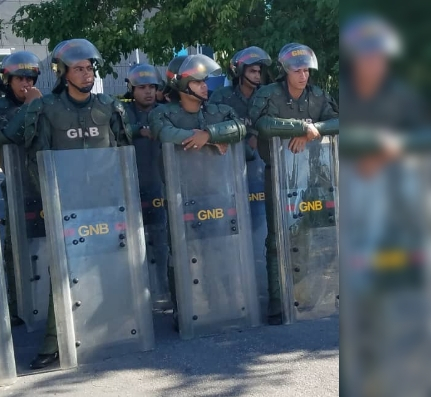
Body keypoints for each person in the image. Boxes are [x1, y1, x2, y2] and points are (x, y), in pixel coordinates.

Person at [23, 38, 131, 369]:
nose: (87, 74)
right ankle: (54, 342)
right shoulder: (46, 109)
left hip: (104, 201)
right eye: (79, 69)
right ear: (62, 73)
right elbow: (35, 159)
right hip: (65, 203)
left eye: (90, 68)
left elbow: (124, 153)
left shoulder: (109, 106)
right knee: (63, 272)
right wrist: (48, 197)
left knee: (108, 263)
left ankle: (113, 329)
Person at [149, 54, 247, 324]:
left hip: (215, 191)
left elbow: (239, 127)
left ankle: (225, 305)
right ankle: (184, 309)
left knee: (219, 250)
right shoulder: (163, 113)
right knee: (180, 254)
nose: (205, 86)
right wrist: (208, 140)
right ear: (182, 84)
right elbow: (166, 134)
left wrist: (211, 134)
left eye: (205, 81)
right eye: (198, 82)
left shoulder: (216, 111)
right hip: (181, 195)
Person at [248, 43, 339, 325]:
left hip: (312, 175)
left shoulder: (317, 94)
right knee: (277, 239)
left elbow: (339, 120)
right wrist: (300, 127)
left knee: (306, 235)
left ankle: (304, 296)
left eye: (306, 70)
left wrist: (313, 132)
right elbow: (261, 123)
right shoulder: (268, 94)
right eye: (297, 70)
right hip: (277, 173)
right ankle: (278, 303)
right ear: (285, 71)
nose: (303, 75)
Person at [0, 51, 43, 327]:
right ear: (8, 80)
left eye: (30, 78)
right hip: (18, 186)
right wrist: (30, 107)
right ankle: (17, 305)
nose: (26, 84)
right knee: (16, 247)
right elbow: (5, 137)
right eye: (20, 78)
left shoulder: (45, 103)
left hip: (48, 183)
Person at [123, 63, 170, 307]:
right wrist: (138, 131)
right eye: (142, 87)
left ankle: (164, 292)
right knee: (133, 245)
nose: (148, 92)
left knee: (161, 241)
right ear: (131, 89)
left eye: (152, 87)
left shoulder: (165, 111)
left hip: (161, 186)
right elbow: (114, 134)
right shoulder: (122, 111)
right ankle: (136, 298)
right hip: (129, 188)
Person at [209, 46, 272, 159]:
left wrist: (257, 136)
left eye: (259, 71)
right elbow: (209, 123)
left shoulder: (267, 94)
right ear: (239, 72)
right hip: (229, 156)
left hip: (263, 156)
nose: (257, 76)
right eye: (252, 71)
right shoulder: (221, 96)